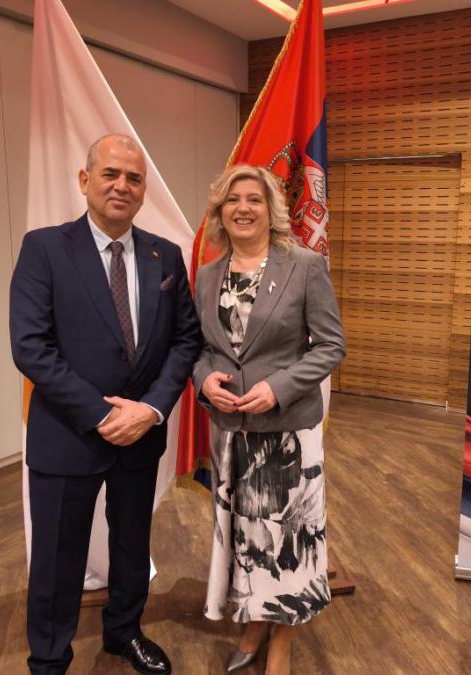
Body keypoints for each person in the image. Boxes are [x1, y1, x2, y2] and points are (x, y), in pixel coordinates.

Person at [10, 134, 201, 674]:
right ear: (85, 180)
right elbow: (31, 347)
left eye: (133, 178)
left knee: (132, 545)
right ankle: (49, 659)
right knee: (57, 558)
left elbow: (185, 339)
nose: (122, 186)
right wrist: (102, 414)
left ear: (143, 190)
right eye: (110, 174)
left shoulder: (165, 255)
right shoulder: (44, 249)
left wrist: (151, 410)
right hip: (67, 435)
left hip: (141, 435)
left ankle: (124, 631)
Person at [193, 165, 346, 674]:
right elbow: (202, 350)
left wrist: (277, 389)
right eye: (232, 200)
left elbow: (331, 346)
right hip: (232, 434)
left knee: (287, 540)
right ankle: (255, 621)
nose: (243, 208)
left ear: (270, 209)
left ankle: (283, 636)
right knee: (248, 537)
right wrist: (204, 381)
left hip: (287, 436)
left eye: (254, 199)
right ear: (220, 211)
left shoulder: (304, 266)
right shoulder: (208, 275)